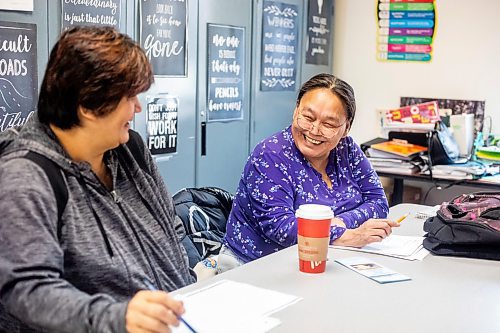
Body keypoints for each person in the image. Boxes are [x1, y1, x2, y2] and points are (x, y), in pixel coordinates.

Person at [0, 27, 195, 333]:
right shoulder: (26, 176)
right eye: (129, 97)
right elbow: (28, 290)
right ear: (89, 106)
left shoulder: (129, 148)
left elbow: (170, 224)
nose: (138, 107)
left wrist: (187, 285)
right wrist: (116, 318)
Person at [219, 73, 398, 271]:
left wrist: (336, 223)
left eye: (329, 124)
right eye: (307, 117)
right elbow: (282, 228)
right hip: (257, 267)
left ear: (346, 128)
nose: (314, 130)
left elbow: (379, 203)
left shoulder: (347, 149)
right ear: (296, 111)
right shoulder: (271, 155)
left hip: (326, 262)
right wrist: (345, 235)